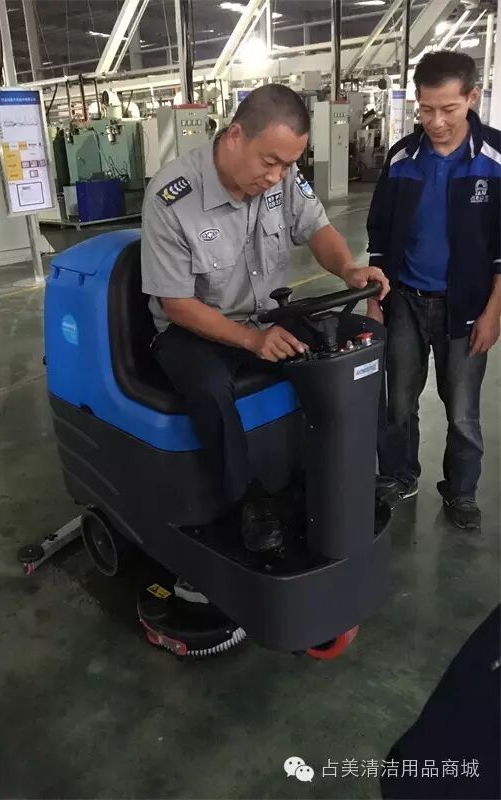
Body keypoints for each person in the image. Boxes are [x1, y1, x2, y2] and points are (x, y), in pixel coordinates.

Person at [141, 84, 389, 554]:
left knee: (354, 344)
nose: (276, 177)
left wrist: (348, 268)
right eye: (270, 162)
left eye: (287, 165)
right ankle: (247, 499)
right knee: (209, 387)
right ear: (236, 136)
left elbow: (316, 227)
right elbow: (176, 304)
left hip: (268, 314)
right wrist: (252, 341)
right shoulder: (172, 198)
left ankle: (344, 468)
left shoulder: (283, 176)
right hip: (195, 326)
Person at [367, 51, 500, 530]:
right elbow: (379, 235)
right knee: (397, 401)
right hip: (404, 300)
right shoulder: (403, 158)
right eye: (426, 109)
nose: (436, 121)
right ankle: (398, 475)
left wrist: (493, 311)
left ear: (472, 97)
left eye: (448, 109)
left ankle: (460, 491)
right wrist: (375, 300)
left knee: (462, 411)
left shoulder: (494, 159)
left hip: (467, 308)